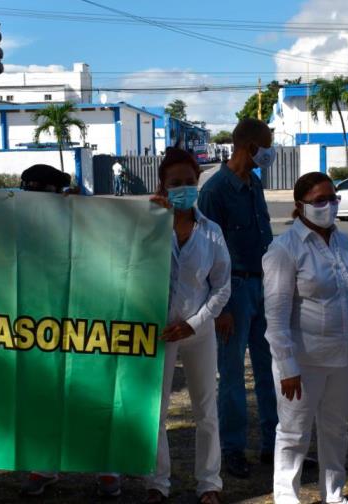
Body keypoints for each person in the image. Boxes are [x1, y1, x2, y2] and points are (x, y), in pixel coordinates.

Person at [263, 172, 348, 504]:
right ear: (300, 206)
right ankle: (287, 497)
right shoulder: (284, 249)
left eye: (332, 198)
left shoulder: (343, 241)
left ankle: (333, 494)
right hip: (303, 360)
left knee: (336, 428)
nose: (328, 206)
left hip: (345, 354)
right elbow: (276, 316)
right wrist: (287, 367)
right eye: (319, 201)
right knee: (294, 431)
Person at [13, 163, 123, 499]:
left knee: (93, 388)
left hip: (86, 316)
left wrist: (84, 210)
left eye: (42, 193)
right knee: (43, 391)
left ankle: (106, 467)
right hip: (37, 320)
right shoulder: (16, 220)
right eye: (29, 191)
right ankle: (44, 466)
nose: (35, 199)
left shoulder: (81, 216)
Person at [145, 148, 230, 504]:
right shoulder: (147, 226)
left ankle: (209, 483)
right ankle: (157, 482)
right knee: (155, 410)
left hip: (198, 331)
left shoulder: (211, 232)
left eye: (189, 181)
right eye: (175, 182)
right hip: (157, 334)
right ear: (162, 185)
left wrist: (194, 324)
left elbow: (222, 286)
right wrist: (147, 218)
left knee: (206, 410)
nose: (183, 188)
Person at [197, 118, 279, 478]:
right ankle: (232, 449)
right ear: (250, 147)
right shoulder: (215, 191)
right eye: (267, 146)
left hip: (264, 287)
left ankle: (274, 446)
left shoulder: (254, 184)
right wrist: (221, 307)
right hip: (233, 292)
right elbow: (206, 253)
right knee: (231, 375)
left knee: (270, 369)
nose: (270, 153)